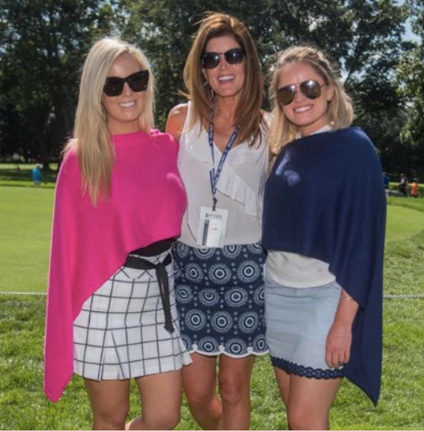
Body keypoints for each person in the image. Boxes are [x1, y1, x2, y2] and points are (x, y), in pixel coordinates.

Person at [44, 38, 191, 430]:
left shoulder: (165, 147)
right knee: (110, 418)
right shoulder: (83, 157)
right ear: (97, 93)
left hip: (160, 297)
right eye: (113, 85)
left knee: (164, 418)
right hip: (105, 300)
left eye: (137, 80)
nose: (128, 92)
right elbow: (65, 250)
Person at [262, 46, 386, 429]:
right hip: (277, 293)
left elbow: (363, 241)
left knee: (304, 418)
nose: (299, 98)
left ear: (330, 89)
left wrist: (342, 323)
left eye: (309, 87)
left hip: (325, 299)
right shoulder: (286, 152)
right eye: (287, 92)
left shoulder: (355, 148)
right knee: (297, 417)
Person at [166, 13, 269, 430]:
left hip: (245, 269)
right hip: (188, 268)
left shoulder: (271, 128)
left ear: (248, 61)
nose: (223, 67)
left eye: (233, 55)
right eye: (212, 59)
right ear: (201, 68)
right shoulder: (180, 119)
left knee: (232, 388)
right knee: (199, 394)